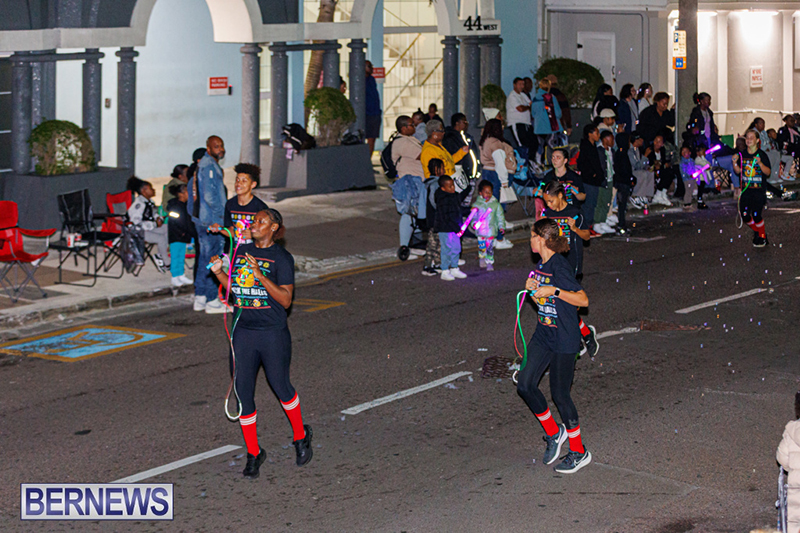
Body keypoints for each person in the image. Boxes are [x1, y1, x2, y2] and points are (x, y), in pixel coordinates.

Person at [209, 208, 313, 478]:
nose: (254, 224)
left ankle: (300, 436)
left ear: (274, 228)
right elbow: (236, 290)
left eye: (260, 221)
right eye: (254, 221)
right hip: (243, 333)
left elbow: (286, 300)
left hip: (272, 333)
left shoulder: (282, 258)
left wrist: (261, 275)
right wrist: (219, 273)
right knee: (243, 394)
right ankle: (254, 453)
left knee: (281, 387)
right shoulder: (241, 252)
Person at [518, 218, 592, 474]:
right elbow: (545, 303)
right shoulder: (541, 265)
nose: (530, 241)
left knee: (560, 395)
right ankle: (553, 432)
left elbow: (582, 300)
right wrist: (533, 290)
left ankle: (579, 451)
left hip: (564, 337)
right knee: (525, 385)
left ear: (542, 239)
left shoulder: (559, 266)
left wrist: (554, 291)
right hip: (544, 334)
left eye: (532, 236)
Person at [541, 181, 599, 356]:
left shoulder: (575, 213)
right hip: (554, 264)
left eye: (551, 201)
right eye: (546, 202)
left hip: (572, 264)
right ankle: (584, 335)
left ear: (560, 196)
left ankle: (583, 336)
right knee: (559, 306)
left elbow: (587, 236)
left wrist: (574, 228)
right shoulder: (548, 214)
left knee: (568, 305)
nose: (548, 205)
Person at [188, 135, 228, 314]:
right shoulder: (209, 166)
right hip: (212, 222)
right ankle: (212, 301)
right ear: (208, 148)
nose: (221, 149)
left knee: (204, 259)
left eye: (221, 145)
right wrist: (220, 217)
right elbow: (210, 196)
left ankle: (201, 297)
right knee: (214, 260)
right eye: (216, 146)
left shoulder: (201, 166)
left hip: (202, 220)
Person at [732, 129, 775, 247]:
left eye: (752, 138)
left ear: (757, 140)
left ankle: (762, 237)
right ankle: (759, 232)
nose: (749, 140)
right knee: (745, 215)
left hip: (758, 191)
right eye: (747, 137)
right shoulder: (742, 155)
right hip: (746, 191)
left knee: (756, 215)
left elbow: (768, 172)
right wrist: (734, 162)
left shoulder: (762, 155)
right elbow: (738, 171)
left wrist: (760, 164)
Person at [478, 118, 517, 250]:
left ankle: (492, 238)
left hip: (488, 173)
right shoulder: (495, 143)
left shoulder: (485, 141)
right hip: (496, 175)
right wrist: (504, 181)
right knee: (498, 209)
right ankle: (499, 239)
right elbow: (500, 163)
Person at [209, 163, 268, 246]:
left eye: (244, 181)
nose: (238, 184)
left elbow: (268, 234)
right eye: (237, 180)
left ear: (253, 184)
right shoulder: (230, 204)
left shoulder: (261, 207)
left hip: (254, 252)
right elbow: (233, 232)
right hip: (237, 251)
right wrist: (219, 229)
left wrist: (253, 235)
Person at [392, 115, 426, 256]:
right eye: (411, 125)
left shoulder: (409, 139)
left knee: (417, 214)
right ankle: (404, 248)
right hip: (409, 182)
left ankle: (414, 245)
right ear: (404, 128)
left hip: (416, 181)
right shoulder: (402, 142)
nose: (414, 127)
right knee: (409, 214)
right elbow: (422, 155)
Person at [126, 176, 169, 273]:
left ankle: (160, 255)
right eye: (151, 188)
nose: (153, 190)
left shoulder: (149, 202)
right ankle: (166, 262)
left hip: (148, 228)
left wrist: (158, 218)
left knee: (167, 228)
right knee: (161, 238)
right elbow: (135, 223)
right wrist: (154, 224)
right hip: (138, 232)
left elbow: (152, 214)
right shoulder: (139, 204)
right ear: (144, 191)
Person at [434, 174, 470, 281]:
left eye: (453, 185)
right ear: (443, 188)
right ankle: (445, 270)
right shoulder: (443, 199)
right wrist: (456, 228)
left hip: (455, 227)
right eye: (449, 186)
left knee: (456, 248)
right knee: (446, 249)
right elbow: (446, 216)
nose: (453, 188)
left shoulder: (454, 196)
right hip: (445, 228)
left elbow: (459, 204)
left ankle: (454, 267)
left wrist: (468, 188)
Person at [443, 112, 481, 210]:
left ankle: (464, 218)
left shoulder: (467, 137)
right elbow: (452, 158)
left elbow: (474, 153)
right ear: (457, 123)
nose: (466, 124)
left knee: (467, 202)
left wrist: (477, 169)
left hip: (471, 175)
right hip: (460, 176)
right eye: (464, 122)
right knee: (459, 202)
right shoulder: (450, 138)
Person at [470, 180, 506, 271]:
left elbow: (500, 216)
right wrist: (474, 224)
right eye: (486, 192)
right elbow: (473, 217)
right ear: (480, 193)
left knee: (489, 248)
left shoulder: (495, 204)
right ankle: (482, 257)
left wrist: (501, 226)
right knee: (482, 247)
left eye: (490, 192)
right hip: (480, 232)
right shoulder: (477, 205)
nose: (488, 194)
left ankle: (489, 262)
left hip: (491, 231)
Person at [577, 124, 605, 235]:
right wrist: (592, 174)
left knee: (592, 203)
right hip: (588, 181)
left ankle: (589, 226)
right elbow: (582, 164)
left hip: (594, 180)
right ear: (590, 134)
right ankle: (585, 227)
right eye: (596, 133)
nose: (598, 135)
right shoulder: (586, 147)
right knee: (589, 204)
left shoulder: (593, 146)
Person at [166, 183, 195, 287]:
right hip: (176, 236)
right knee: (175, 256)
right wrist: (182, 231)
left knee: (181, 256)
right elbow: (176, 222)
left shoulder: (185, 205)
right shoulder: (174, 206)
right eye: (187, 191)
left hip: (183, 236)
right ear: (181, 194)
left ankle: (181, 274)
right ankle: (174, 276)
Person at [422, 158, 445, 276]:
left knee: (434, 242)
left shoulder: (426, 183)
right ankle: (430, 265)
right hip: (435, 218)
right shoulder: (436, 184)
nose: (444, 170)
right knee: (435, 243)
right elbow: (434, 200)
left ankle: (435, 263)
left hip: (429, 218)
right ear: (437, 170)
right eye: (443, 168)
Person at [531, 78, 563, 162]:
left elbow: (533, 114)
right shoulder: (551, 97)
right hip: (550, 127)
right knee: (551, 146)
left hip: (538, 128)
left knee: (540, 146)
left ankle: (539, 162)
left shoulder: (535, 99)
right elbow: (558, 113)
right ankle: (551, 162)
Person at [506, 77, 537, 163]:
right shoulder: (512, 96)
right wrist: (527, 107)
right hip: (517, 123)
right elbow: (520, 108)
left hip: (526, 123)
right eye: (519, 84)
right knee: (522, 144)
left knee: (534, 143)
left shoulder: (523, 95)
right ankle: (524, 163)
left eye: (523, 84)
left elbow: (531, 104)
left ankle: (531, 161)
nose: (521, 86)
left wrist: (528, 107)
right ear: (514, 85)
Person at [594, 131, 617, 234]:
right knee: (600, 201)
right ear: (604, 139)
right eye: (611, 139)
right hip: (602, 180)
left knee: (607, 200)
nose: (613, 141)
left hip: (610, 178)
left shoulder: (612, 151)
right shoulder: (599, 151)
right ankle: (597, 222)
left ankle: (603, 220)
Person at [627, 133, 654, 208]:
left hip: (638, 170)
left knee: (650, 173)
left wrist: (647, 166)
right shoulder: (630, 150)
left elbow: (641, 163)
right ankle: (637, 195)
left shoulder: (638, 149)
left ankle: (648, 195)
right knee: (642, 174)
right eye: (641, 139)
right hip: (631, 171)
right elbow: (636, 166)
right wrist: (645, 156)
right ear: (636, 140)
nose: (643, 141)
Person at [649, 135, 676, 207]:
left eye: (659, 142)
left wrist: (664, 164)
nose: (657, 143)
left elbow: (663, 161)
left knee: (670, 172)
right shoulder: (649, 150)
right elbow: (649, 161)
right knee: (665, 173)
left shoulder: (662, 150)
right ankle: (659, 194)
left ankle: (662, 193)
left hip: (660, 168)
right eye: (656, 141)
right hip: (652, 169)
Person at [365, 60, 382, 154]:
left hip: (375, 113)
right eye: (369, 66)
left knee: (372, 139)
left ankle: (368, 159)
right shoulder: (360, 80)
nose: (372, 68)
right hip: (366, 114)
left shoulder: (371, 79)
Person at [777, 114, 800, 182]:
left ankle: (797, 171)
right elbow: (781, 141)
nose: (792, 122)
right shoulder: (783, 130)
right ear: (786, 121)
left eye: (793, 121)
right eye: (790, 121)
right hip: (787, 148)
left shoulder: (795, 129)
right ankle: (786, 173)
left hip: (795, 147)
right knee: (789, 156)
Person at [678, 145, 698, 210]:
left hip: (692, 177)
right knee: (688, 190)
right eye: (683, 152)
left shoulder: (691, 160)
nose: (684, 153)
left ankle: (689, 201)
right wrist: (688, 175)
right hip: (687, 179)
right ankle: (686, 202)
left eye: (686, 151)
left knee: (691, 190)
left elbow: (694, 167)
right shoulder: (683, 162)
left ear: (689, 152)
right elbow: (684, 170)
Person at [693, 145, 713, 209]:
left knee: (701, 190)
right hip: (700, 178)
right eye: (703, 152)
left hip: (703, 177)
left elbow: (709, 165)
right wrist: (707, 166)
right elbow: (706, 165)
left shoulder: (703, 159)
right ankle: (699, 202)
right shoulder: (698, 159)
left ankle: (701, 201)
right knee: (700, 190)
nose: (704, 154)